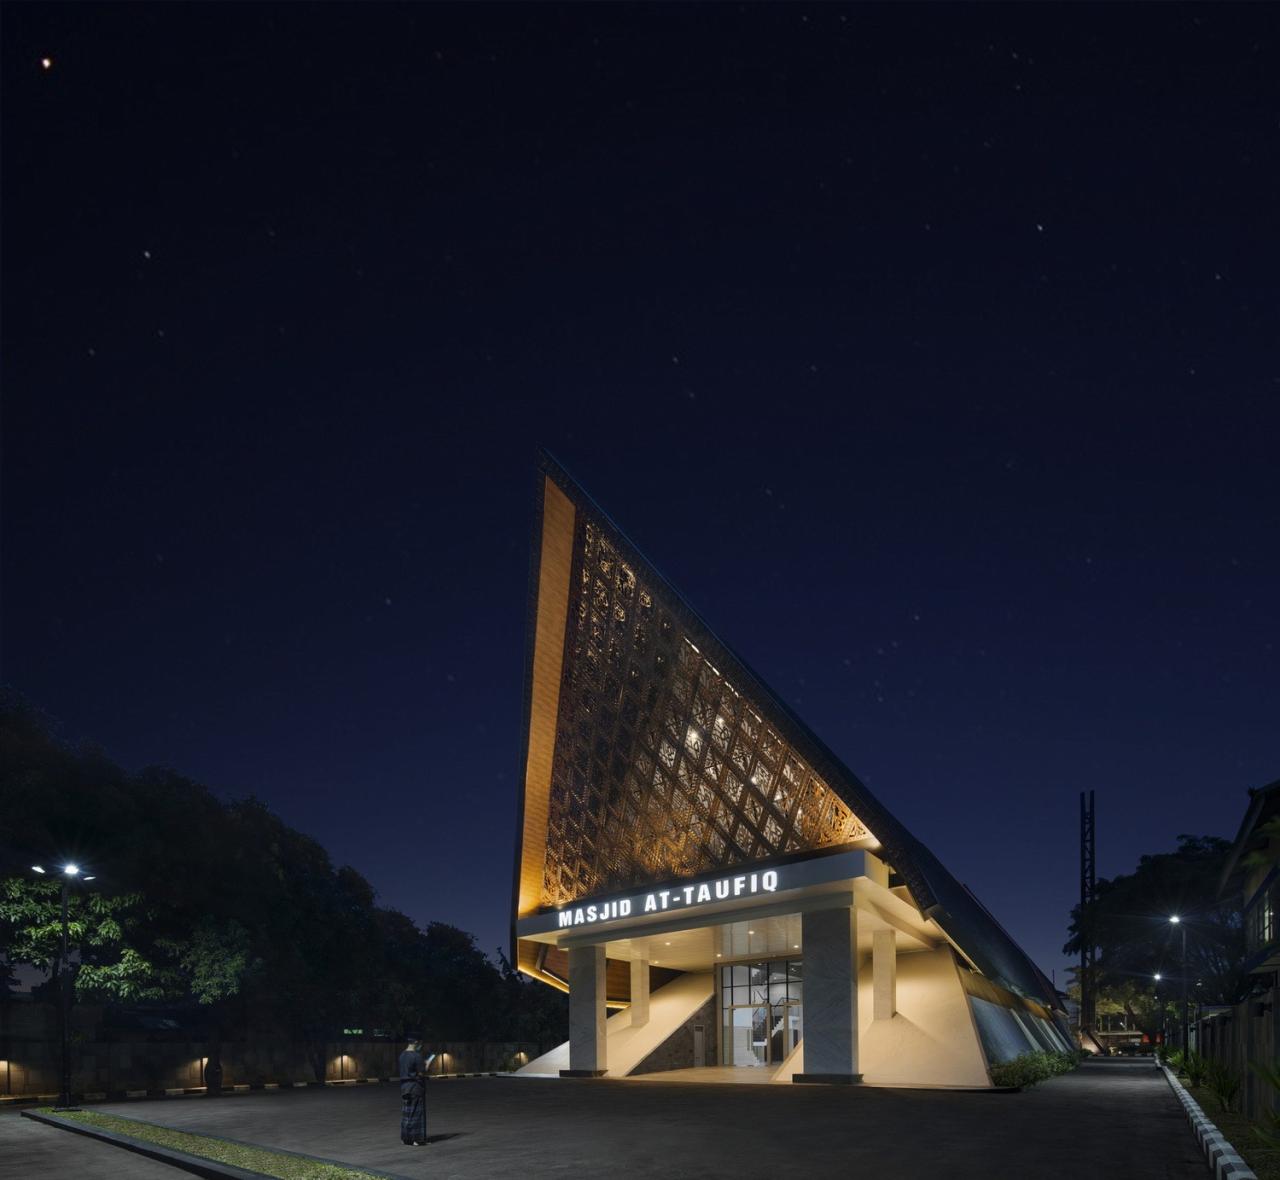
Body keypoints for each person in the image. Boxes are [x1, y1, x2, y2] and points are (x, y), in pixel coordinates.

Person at [398, 1037, 427, 1146]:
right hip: (415, 1087)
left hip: (404, 1087)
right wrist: (426, 1066)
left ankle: (406, 1138)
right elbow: (421, 1073)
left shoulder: (402, 1055)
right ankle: (417, 1139)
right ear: (416, 1043)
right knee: (416, 1113)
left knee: (407, 1114)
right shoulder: (417, 1056)